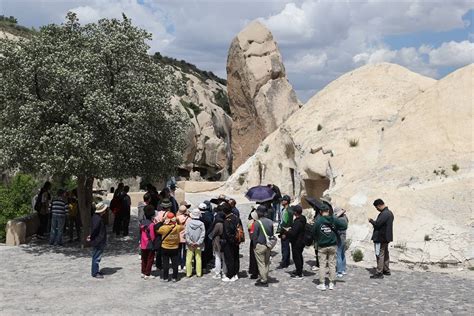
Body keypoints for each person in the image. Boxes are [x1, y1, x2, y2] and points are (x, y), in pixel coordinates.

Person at [313, 205, 347, 291]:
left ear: (320, 212)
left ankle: (322, 283)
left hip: (322, 246)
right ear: (328, 211)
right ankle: (331, 283)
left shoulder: (318, 221)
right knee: (332, 265)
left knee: (322, 265)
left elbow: (313, 233)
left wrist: (318, 240)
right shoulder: (333, 219)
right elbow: (344, 225)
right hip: (332, 245)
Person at [369, 199, 394, 279]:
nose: (377, 209)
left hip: (380, 237)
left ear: (379, 205)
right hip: (386, 237)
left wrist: (371, 221)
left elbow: (377, 224)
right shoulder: (390, 213)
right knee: (385, 254)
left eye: (376, 208)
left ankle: (379, 272)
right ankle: (386, 270)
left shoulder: (384, 214)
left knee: (379, 254)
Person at [251, 205, 274, 287]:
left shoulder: (257, 223)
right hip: (268, 245)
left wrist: (254, 246)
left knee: (261, 263)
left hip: (260, 245)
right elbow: (271, 234)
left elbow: (254, 236)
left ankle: (264, 280)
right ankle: (265, 276)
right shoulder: (270, 222)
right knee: (267, 262)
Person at [157, 211, 183, 282]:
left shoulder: (163, 228)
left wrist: (162, 221)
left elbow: (156, 229)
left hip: (165, 247)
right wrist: (177, 220)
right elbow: (182, 227)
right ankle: (174, 277)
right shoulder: (177, 227)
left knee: (165, 263)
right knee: (175, 263)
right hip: (175, 247)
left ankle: (165, 277)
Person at [88, 202, 108, 279]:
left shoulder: (95, 217)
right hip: (98, 240)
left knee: (96, 256)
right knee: (96, 257)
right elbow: (95, 230)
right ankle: (95, 272)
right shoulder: (98, 219)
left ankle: (96, 270)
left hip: (98, 240)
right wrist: (91, 237)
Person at [285, 205, 306, 279]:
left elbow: (293, 233)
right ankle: (299, 269)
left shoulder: (298, 222)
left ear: (296, 213)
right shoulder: (302, 219)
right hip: (301, 241)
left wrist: (288, 231)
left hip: (297, 242)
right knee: (299, 256)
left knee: (297, 257)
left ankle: (299, 273)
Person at [185, 209, 206, 277]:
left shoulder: (188, 223)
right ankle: (199, 273)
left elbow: (186, 234)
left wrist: (190, 242)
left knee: (189, 258)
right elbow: (203, 234)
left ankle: (188, 273)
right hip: (198, 244)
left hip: (189, 244)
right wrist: (198, 242)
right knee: (198, 258)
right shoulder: (201, 224)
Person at [222, 204, 240, 282]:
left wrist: (230, 240)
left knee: (229, 258)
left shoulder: (227, 220)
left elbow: (227, 233)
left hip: (229, 243)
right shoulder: (236, 218)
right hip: (236, 241)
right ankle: (235, 273)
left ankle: (230, 275)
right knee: (235, 257)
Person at [155, 199, 173, 271]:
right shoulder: (169, 214)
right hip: (166, 232)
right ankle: (165, 263)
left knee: (159, 250)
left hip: (158, 231)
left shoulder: (157, 213)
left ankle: (158, 264)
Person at [139, 205, 157, 280]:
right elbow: (152, 236)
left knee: (144, 258)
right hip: (149, 244)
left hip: (143, 243)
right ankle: (147, 273)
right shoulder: (151, 224)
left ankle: (143, 272)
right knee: (150, 259)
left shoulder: (142, 223)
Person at [277, 195, 293, 269]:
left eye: (283, 200)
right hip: (284, 230)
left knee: (285, 247)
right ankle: (287, 261)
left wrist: (284, 233)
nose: (282, 201)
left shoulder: (288, 211)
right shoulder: (285, 209)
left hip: (285, 231)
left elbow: (287, 223)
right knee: (285, 246)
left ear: (286, 201)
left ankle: (284, 262)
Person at [209, 211, 227, 279]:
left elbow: (213, 233)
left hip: (217, 242)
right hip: (224, 242)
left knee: (218, 258)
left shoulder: (218, 224)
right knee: (224, 258)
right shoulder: (225, 222)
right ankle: (225, 272)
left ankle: (218, 273)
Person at [199, 202, 214, 271]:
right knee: (205, 251)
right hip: (206, 236)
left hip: (198, 236)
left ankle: (198, 267)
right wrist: (206, 234)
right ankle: (204, 266)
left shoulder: (198, 217)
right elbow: (211, 227)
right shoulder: (209, 216)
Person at [335, 207, 349, 278]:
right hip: (344, 236)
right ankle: (343, 269)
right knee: (343, 253)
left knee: (338, 253)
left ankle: (339, 271)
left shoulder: (338, 219)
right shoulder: (345, 217)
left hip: (339, 236)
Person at [176, 205, 190, 271]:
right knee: (185, 251)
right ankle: (184, 264)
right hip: (185, 236)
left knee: (178, 251)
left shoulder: (177, 218)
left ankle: (178, 264)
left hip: (178, 236)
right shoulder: (189, 218)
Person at [247, 208, 259, 279]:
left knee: (253, 258)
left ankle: (254, 272)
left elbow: (251, 234)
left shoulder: (253, 224)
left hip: (254, 242)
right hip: (261, 241)